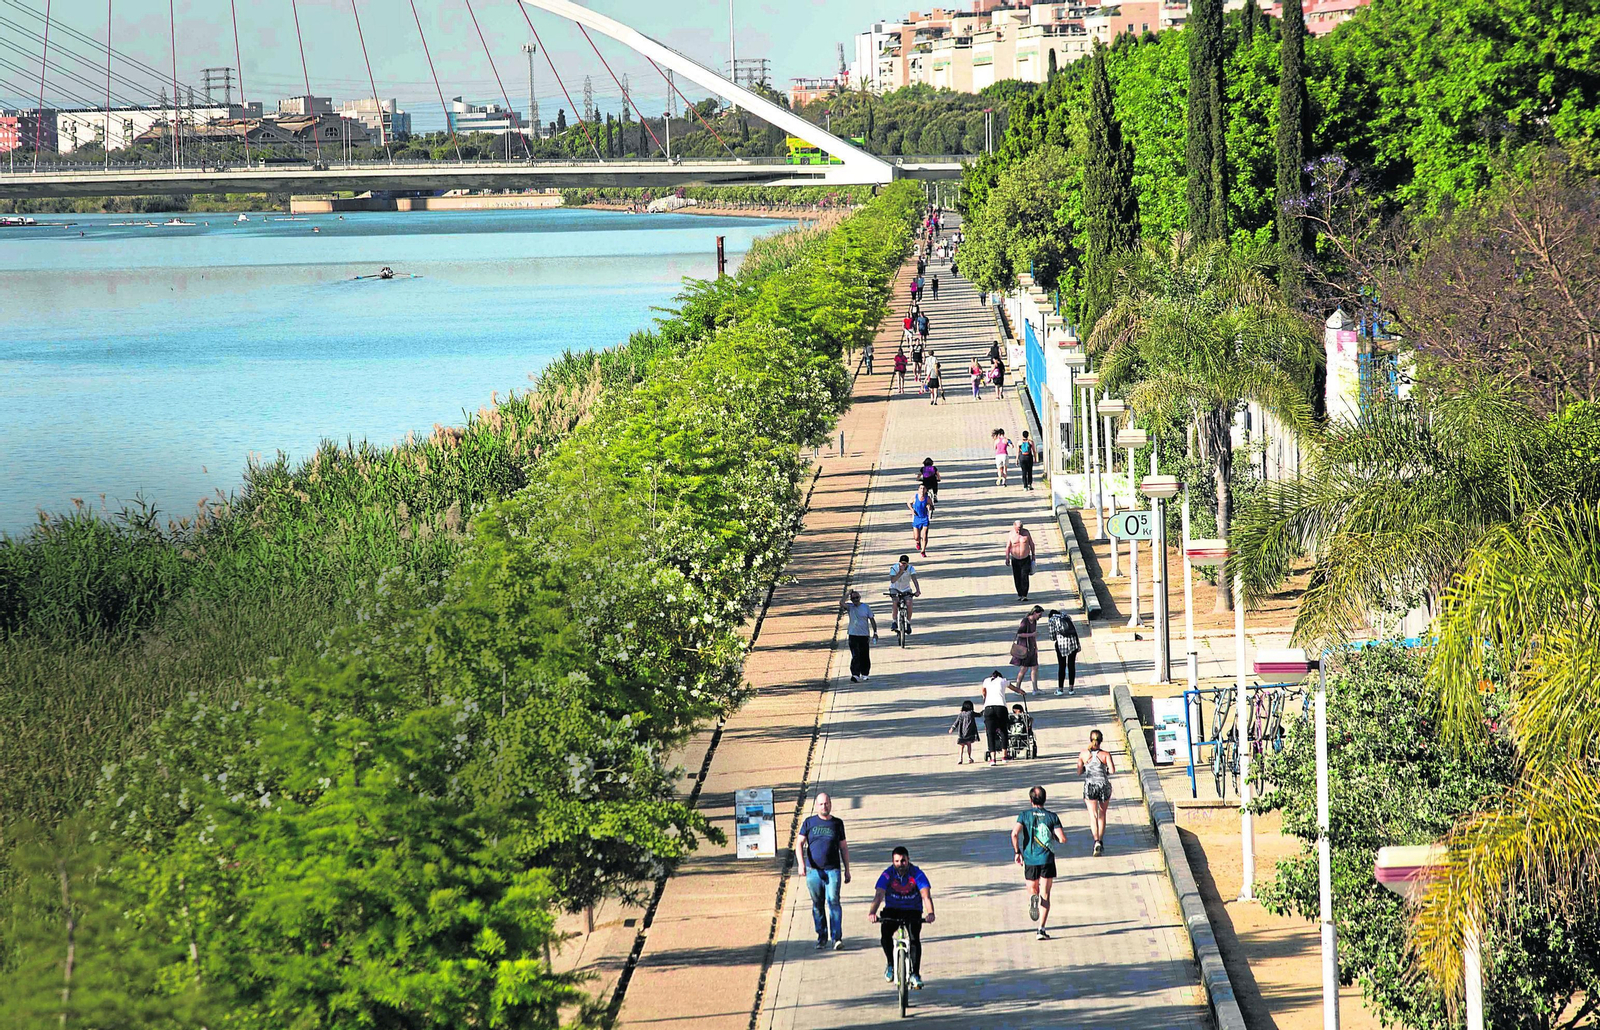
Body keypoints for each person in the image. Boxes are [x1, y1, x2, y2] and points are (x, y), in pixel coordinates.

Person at [869, 846, 934, 990]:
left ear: (908, 859)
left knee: (914, 938)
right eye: (897, 861)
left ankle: (915, 974)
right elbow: (879, 895)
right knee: (885, 934)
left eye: (903, 861)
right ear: (893, 862)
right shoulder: (887, 874)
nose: (900, 864)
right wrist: (872, 912)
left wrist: (930, 913)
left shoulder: (917, 874)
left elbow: (926, 896)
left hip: (912, 910)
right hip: (892, 909)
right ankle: (891, 964)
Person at [1011, 786, 1069, 940]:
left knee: (1033, 889)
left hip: (1030, 859)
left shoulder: (1024, 815)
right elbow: (1062, 839)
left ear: (1031, 800)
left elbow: (1014, 833)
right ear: (1045, 799)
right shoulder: (1052, 817)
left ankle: (1032, 897)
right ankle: (1041, 929)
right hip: (1047, 860)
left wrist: (1018, 852)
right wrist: (1054, 837)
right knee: (1046, 894)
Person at [798, 793, 852, 949]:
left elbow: (843, 847)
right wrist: (801, 864)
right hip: (813, 871)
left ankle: (836, 938)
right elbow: (799, 844)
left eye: (827, 803)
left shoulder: (837, 824)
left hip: (832, 870)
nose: (824, 806)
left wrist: (847, 869)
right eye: (821, 804)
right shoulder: (809, 823)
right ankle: (821, 937)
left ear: (831, 804)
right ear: (816, 806)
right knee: (817, 904)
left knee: (833, 901)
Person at [1077, 729, 1116, 855]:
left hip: (1090, 786)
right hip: (1103, 786)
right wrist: (1105, 771)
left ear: (1090, 739)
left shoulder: (1083, 754)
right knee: (1102, 814)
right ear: (1101, 740)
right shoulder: (1105, 755)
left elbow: (1078, 772)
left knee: (1093, 815)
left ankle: (1096, 841)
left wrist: (1085, 768)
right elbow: (1112, 770)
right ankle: (1101, 840)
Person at [979, 669, 1018, 764]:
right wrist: (1021, 691)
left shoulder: (986, 681)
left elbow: (983, 692)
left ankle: (993, 759)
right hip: (1001, 707)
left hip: (988, 708)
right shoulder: (1002, 680)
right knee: (1003, 731)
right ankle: (1004, 756)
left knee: (990, 733)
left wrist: (985, 699)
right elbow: (1013, 688)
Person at [844, 589, 878, 683]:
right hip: (853, 635)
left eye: (857, 597)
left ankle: (865, 674)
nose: (855, 600)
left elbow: (872, 620)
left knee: (864, 655)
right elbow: (841, 603)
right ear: (851, 599)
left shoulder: (866, 607)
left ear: (860, 598)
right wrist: (847, 593)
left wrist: (875, 633)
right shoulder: (850, 607)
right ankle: (855, 674)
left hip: (864, 635)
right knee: (855, 655)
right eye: (853, 598)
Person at [1010, 605, 1043, 693]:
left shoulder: (1034, 622)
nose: (1040, 617)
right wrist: (1031, 635)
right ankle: (1017, 688)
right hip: (1024, 648)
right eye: (1039, 615)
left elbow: (1034, 635)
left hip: (1032, 647)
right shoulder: (1025, 621)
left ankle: (1035, 689)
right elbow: (1019, 634)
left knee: (1035, 667)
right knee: (1024, 669)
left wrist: (1036, 647)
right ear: (1035, 613)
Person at [1048, 607, 1081, 695]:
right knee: (1071, 665)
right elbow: (1074, 631)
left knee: (1062, 666)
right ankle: (1071, 689)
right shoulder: (1067, 616)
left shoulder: (1052, 620)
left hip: (1061, 646)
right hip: (1073, 643)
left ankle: (1060, 689)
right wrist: (1078, 644)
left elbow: (1052, 637)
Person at [887, 554, 921, 630]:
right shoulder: (894, 568)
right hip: (895, 588)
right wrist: (900, 572)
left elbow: (914, 579)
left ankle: (908, 623)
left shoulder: (911, 568)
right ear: (899, 562)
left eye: (905, 563)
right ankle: (894, 621)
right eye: (902, 563)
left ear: (907, 563)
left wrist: (918, 590)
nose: (903, 565)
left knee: (909, 603)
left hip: (906, 589)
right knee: (895, 602)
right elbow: (893, 580)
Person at [1004, 519, 1036, 600]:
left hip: (1025, 558)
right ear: (1014, 526)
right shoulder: (1011, 534)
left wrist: (1033, 555)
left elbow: (1031, 544)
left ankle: (1024, 595)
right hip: (1015, 559)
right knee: (1017, 577)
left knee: (1024, 576)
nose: (1019, 529)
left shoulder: (1026, 533)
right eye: (1018, 528)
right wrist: (1007, 557)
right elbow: (1008, 546)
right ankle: (1020, 594)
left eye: (1021, 527)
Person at [907, 482, 935, 556]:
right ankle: (918, 542)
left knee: (925, 535)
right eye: (921, 488)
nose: (922, 490)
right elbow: (908, 503)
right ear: (918, 489)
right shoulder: (915, 497)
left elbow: (932, 507)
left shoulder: (927, 498)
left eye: (924, 488)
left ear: (926, 490)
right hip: (916, 518)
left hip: (924, 518)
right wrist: (912, 510)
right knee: (916, 537)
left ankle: (923, 550)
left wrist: (929, 506)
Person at [948, 699, 979, 765]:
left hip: (962, 733)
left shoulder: (961, 714)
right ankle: (969, 757)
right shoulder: (971, 713)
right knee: (969, 745)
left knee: (961, 746)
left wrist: (952, 728)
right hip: (969, 733)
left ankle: (960, 758)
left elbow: (956, 723)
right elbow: (979, 715)